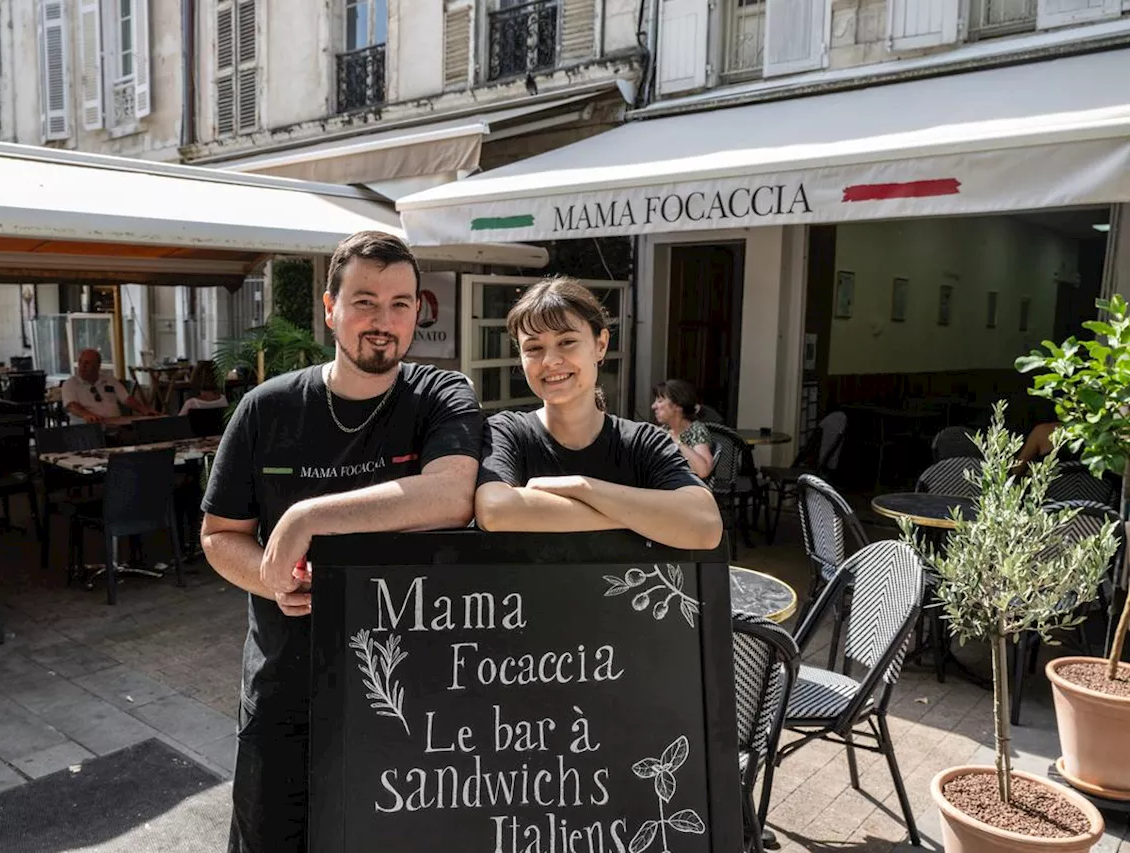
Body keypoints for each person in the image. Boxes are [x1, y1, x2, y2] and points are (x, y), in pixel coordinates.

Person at [199, 231, 482, 853]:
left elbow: (453, 493)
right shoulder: (264, 409)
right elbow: (220, 536)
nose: (383, 322)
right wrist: (268, 578)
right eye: (364, 302)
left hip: (413, 694)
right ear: (329, 308)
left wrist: (306, 516)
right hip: (286, 686)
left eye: (400, 304)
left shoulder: (440, 397)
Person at [475, 277, 723, 550]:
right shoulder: (507, 432)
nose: (550, 361)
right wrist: (641, 518)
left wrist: (582, 487)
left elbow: (705, 525)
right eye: (533, 348)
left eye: (567, 341)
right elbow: (495, 510)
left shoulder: (644, 442)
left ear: (600, 345)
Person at [61, 348, 157, 424]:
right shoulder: (70, 384)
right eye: (80, 362)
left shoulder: (110, 380)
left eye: (87, 363)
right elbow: (71, 406)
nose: (82, 366)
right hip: (87, 427)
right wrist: (87, 415)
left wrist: (143, 410)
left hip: (115, 425)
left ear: (98, 366)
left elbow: (126, 398)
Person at [651, 378, 715, 479]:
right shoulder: (664, 429)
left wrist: (676, 441)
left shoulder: (696, 430)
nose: (653, 406)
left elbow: (703, 471)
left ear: (677, 406)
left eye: (660, 401)